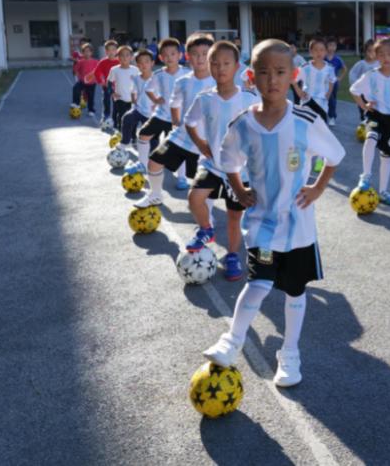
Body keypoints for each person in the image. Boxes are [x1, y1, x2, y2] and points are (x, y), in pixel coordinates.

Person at [201, 39, 345, 388]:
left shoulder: (306, 120)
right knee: (259, 283)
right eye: (263, 72)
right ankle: (232, 340)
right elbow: (228, 161)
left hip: (298, 228)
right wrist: (238, 190)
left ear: (293, 76)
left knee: (294, 291)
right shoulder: (243, 124)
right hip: (262, 225)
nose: (272, 79)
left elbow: (335, 156)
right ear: (251, 77)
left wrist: (317, 188)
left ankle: (290, 353)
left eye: (280, 72)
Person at [183, 40, 259, 280]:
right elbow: (189, 122)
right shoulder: (204, 98)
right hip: (213, 165)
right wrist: (200, 144)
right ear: (209, 66)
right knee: (194, 197)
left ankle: (233, 255)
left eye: (226, 63)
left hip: (239, 172)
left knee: (234, 217)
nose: (220, 68)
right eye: (214, 63)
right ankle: (206, 229)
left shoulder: (249, 99)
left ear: (236, 66)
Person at [135, 34, 216, 206]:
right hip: (181, 136)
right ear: (187, 56)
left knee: (203, 181)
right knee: (154, 162)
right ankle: (155, 194)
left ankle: (208, 215)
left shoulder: (218, 81)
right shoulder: (183, 81)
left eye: (205, 53)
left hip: (206, 140)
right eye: (195, 54)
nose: (200, 58)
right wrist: (175, 122)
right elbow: (174, 102)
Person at [350, 39, 390, 206]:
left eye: (389, 54)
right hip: (374, 115)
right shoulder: (371, 75)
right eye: (381, 54)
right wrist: (364, 106)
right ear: (376, 56)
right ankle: (366, 175)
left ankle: (383, 191)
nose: (385, 57)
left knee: (386, 157)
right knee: (370, 139)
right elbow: (354, 90)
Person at [134, 38, 182, 170]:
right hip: (161, 114)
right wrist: (155, 100)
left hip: (178, 117)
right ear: (160, 57)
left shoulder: (187, 73)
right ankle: (142, 164)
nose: (169, 57)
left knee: (176, 146)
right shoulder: (158, 74)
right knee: (143, 135)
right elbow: (148, 89)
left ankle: (182, 177)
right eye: (165, 55)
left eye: (173, 54)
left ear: (180, 55)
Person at [119, 49, 156, 153]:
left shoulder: (157, 78)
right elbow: (133, 91)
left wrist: (157, 105)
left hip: (152, 113)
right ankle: (125, 142)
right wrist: (134, 102)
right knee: (127, 118)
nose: (144, 64)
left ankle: (153, 152)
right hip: (139, 110)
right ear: (137, 65)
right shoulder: (136, 78)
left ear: (152, 63)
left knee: (152, 138)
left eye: (146, 61)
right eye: (140, 62)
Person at [292, 36, 335, 123]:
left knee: (320, 126)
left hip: (322, 104)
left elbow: (332, 80)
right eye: (315, 50)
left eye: (321, 50)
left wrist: (328, 93)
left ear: (326, 52)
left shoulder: (330, 68)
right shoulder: (305, 67)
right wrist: (299, 92)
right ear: (310, 52)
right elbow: (292, 79)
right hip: (307, 101)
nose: (319, 52)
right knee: (306, 126)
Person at [107, 45, 138, 131]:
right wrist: (112, 92)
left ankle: (133, 134)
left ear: (131, 57)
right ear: (118, 57)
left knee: (133, 117)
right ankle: (120, 132)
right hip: (120, 98)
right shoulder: (114, 70)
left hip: (132, 99)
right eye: (122, 55)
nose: (124, 57)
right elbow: (109, 82)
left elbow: (139, 83)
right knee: (121, 117)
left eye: (127, 55)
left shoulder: (135, 70)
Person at [95, 40, 121, 124]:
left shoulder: (119, 61)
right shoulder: (103, 62)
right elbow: (97, 72)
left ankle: (116, 118)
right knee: (106, 101)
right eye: (109, 50)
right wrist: (101, 81)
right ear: (106, 51)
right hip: (107, 86)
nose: (111, 52)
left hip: (117, 87)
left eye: (113, 49)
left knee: (117, 102)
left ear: (117, 51)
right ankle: (106, 116)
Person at [71, 42, 99, 117]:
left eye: (88, 51)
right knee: (75, 88)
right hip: (82, 81)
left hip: (91, 83)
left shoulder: (95, 61)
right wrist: (76, 73)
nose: (87, 53)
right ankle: (76, 103)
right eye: (85, 51)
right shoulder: (81, 62)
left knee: (90, 97)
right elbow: (75, 70)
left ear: (91, 52)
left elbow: (98, 70)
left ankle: (91, 110)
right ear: (82, 53)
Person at [324, 37, 347, 127]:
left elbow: (344, 69)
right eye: (330, 45)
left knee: (332, 100)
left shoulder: (338, 59)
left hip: (334, 83)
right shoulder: (323, 58)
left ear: (336, 47)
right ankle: (326, 115)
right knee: (325, 99)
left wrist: (340, 78)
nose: (331, 47)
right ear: (326, 46)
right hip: (324, 83)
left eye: (334, 45)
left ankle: (332, 116)